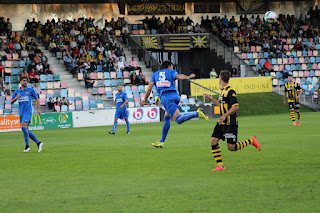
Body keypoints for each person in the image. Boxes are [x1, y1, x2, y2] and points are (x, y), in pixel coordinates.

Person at [140, 61, 209, 148]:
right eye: (172, 67)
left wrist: (144, 100)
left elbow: (149, 87)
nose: (172, 68)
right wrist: (187, 77)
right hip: (175, 95)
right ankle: (161, 141)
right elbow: (179, 76)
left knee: (178, 120)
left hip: (166, 97)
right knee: (167, 116)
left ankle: (197, 113)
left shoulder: (155, 74)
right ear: (169, 66)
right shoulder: (171, 72)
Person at [204, 70, 260, 171]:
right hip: (222, 122)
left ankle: (251, 140)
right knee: (213, 141)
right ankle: (220, 166)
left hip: (230, 122)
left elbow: (236, 107)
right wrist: (211, 99)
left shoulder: (230, 91)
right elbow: (221, 105)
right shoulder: (222, 91)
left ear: (220, 78)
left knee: (231, 147)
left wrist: (224, 115)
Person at [11, 77, 43, 152]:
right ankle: (38, 143)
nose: (25, 82)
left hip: (28, 111)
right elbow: (11, 102)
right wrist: (16, 98)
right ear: (20, 82)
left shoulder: (30, 90)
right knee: (25, 130)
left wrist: (38, 109)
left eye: (26, 81)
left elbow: (37, 99)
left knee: (23, 127)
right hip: (21, 112)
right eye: (24, 81)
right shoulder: (17, 91)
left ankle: (27, 146)